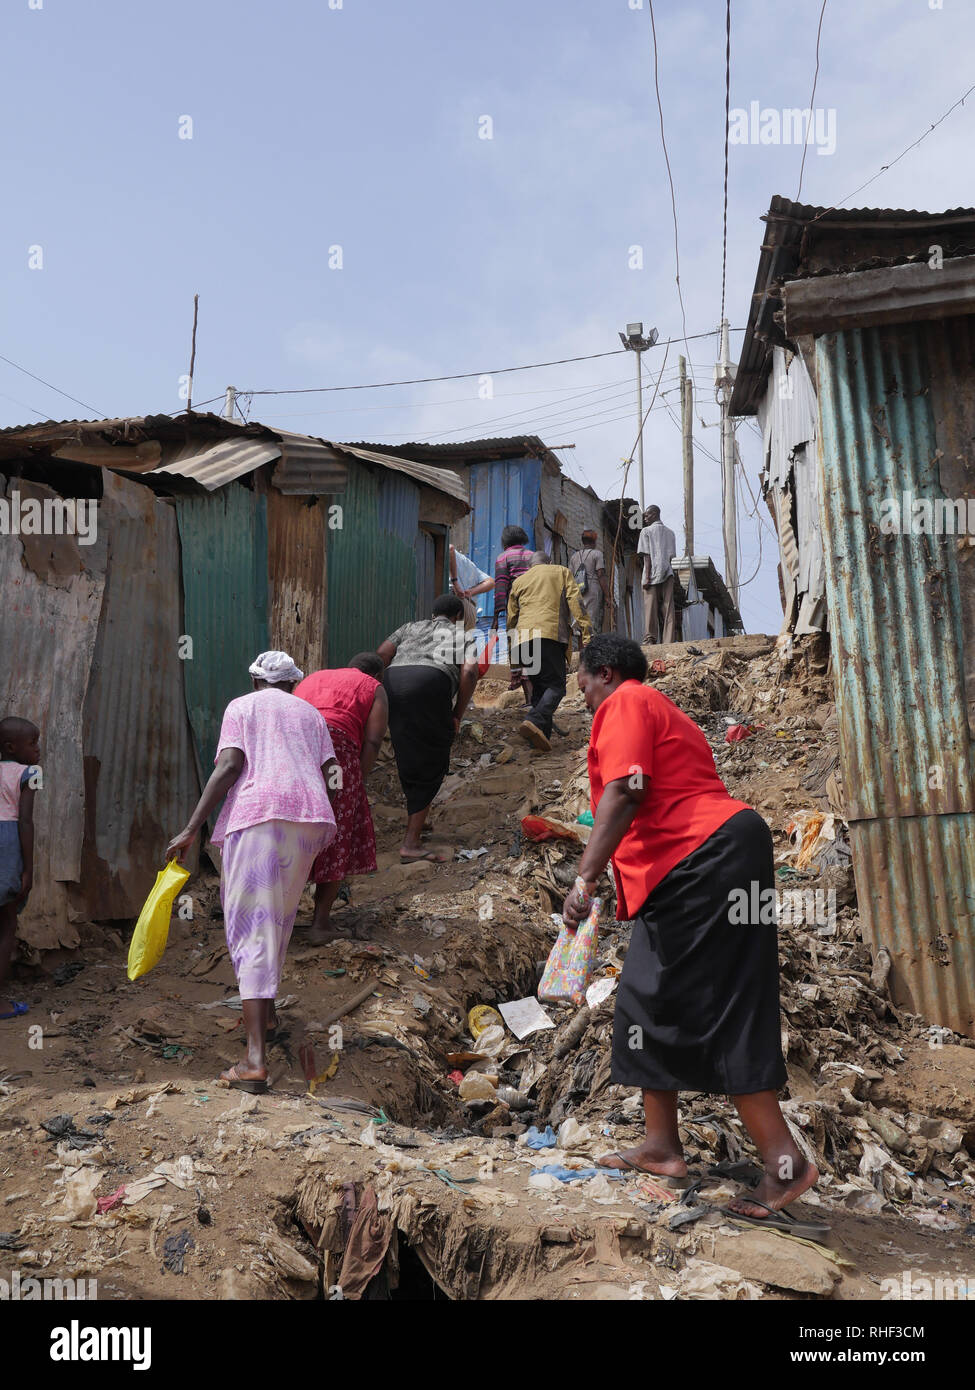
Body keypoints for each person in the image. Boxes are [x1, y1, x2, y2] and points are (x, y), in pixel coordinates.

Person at [563, 634, 819, 1230]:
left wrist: (584, 881)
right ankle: (661, 1147)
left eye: (582, 678)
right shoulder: (655, 709)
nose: (580, 690)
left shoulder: (626, 702)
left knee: (722, 1004)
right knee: (648, 997)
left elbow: (628, 789)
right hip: (702, 863)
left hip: (705, 861)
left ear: (603, 672)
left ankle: (786, 1164)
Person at [166, 651, 337, 1093]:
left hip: (260, 815)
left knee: (250, 927)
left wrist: (191, 828)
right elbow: (332, 772)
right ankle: (270, 1013)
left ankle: (254, 1060)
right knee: (277, 920)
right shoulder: (311, 716)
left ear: (256, 680)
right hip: (308, 818)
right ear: (293, 683)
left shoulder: (243, 706)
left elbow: (228, 766)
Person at [293, 653, 389, 944]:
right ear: (378, 675)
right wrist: (358, 778)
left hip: (295, 747)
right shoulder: (373, 687)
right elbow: (373, 740)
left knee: (295, 827)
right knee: (336, 832)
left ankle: (277, 918)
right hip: (337, 752)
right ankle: (320, 923)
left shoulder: (313, 677)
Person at [377, 594, 479, 862]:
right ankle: (410, 844)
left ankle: (418, 820)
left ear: (433, 613)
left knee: (408, 752)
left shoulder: (410, 627)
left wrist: (379, 693)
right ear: (458, 616)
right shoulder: (460, 634)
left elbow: (382, 654)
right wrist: (457, 713)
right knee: (433, 758)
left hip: (393, 681)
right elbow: (470, 672)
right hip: (431, 681)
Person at [507, 552, 591, 753]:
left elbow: (511, 620)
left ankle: (539, 737)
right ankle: (534, 719)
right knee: (556, 686)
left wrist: (514, 662)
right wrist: (586, 634)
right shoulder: (561, 571)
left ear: (530, 567)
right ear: (550, 562)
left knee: (540, 689)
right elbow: (577, 604)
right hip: (549, 635)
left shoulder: (519, 581)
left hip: (524, 640)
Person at [0, 717, 40, 1021]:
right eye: (33, 743)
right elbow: (25, 821)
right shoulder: (31, 774)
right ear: (12, 747)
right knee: (6, 926)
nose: (38, 749)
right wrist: (28, 869)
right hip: (8, 843)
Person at [491, 525, 535, 694]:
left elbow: (500, 588)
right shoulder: (533, 556)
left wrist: (496, 617)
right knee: (532, 647)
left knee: (517, 646)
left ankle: (526, 692)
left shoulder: (503, 558)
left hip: (515, 608)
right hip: (534, 606)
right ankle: (533, 696)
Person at [637, 505, 677, 644]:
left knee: (650, 607)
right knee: (668, 608)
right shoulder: (671, 533)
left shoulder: (646, 531)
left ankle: (650, 638)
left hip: (652, 572)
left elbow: (646, 556)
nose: (645, 518)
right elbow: (671, 557)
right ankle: (668, 640)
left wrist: (647, 576)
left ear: (654, 514)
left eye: (647, 515)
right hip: (668, 573)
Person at [569, 529, 611, 636]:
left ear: (583, 542)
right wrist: (607, 595)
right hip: (592, 589)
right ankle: (587, 650)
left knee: (579, 623)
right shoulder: (597, 554)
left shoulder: (574, 556)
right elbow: (601, 574)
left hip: (577, 589)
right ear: (595, 541)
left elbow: (570, 576)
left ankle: (580, 651)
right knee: (590, 622)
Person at [449, 545, 495, 630]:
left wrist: (455, 582)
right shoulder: (469, 564)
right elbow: (490, 582)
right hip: (469, 614)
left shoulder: (459, 559)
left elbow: (450, 548)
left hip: (457, 609)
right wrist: (470, 592)